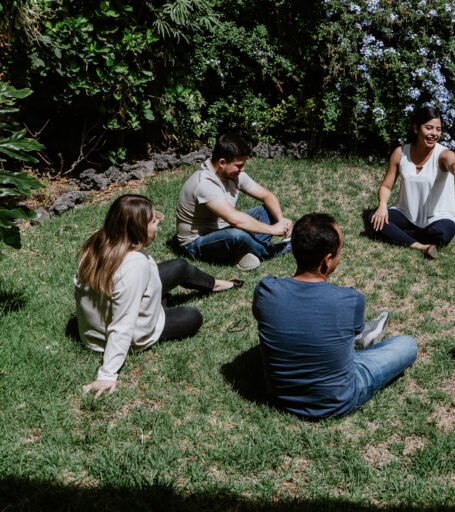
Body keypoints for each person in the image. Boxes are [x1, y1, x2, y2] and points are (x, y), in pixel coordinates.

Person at [253, 213, 418, 419]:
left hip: (280, 396)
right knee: (406, 344)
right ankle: (361, 340)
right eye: (340, 252)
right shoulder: (350, 299)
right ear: (327, 260)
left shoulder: (266, 290)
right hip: (337, 400)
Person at [75, 194, 242, 396]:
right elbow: (122, 323)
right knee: (192, 316)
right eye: (154, 221)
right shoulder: (133, 265)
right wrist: (107, 374)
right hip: (125, 334)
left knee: (179, 266)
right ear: (137, 228)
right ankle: (162, 304)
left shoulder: (99, 240)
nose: (158, 225)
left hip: (98, 324)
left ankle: (215, 284)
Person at [367, 105, 455, 259]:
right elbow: (386, 186)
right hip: (406, 214)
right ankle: (420, 246)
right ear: (416, 128)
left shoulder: (442, 154)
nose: (434, 134)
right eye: (429, 128)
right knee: (374, 219)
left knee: (442, 233)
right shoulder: (400, 153)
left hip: (439, 217)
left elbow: (452, 161)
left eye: (438, 129)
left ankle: (400, 235)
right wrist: (382, 205)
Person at [176, 132, 293, 271]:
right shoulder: (204, 184)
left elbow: (267, 196)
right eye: (239, 165)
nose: (242, 170)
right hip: (197, 243)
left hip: (223, 229)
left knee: (268, 211)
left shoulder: (234, 174)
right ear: (222, 163)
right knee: (237, 236)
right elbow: (235, 220)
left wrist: (280, 219)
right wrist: (272, 230)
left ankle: (246, 251)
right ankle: (275, 249)